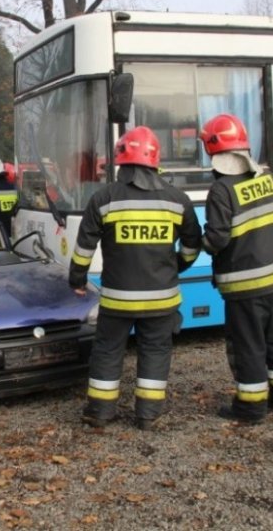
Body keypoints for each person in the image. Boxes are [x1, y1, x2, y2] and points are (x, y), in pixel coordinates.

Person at [69, 126, 202, 431]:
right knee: (155, 351)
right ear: (156, 160)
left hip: (117, 300)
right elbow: (193, 245)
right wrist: (175, 267)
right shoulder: (177, 200)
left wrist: (77, 280)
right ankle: (148, 415)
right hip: (162, 299)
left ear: (121, 160)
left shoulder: (104, 198)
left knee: (108, 350)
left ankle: (100, 412)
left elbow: (84, 248)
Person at [199, 113, 273, 424]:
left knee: (249, 346)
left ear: (212, 149)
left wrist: (201, 243)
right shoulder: (268, 179)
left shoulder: (221, 190)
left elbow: (217, 239)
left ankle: (251, 408)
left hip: (244, 287)